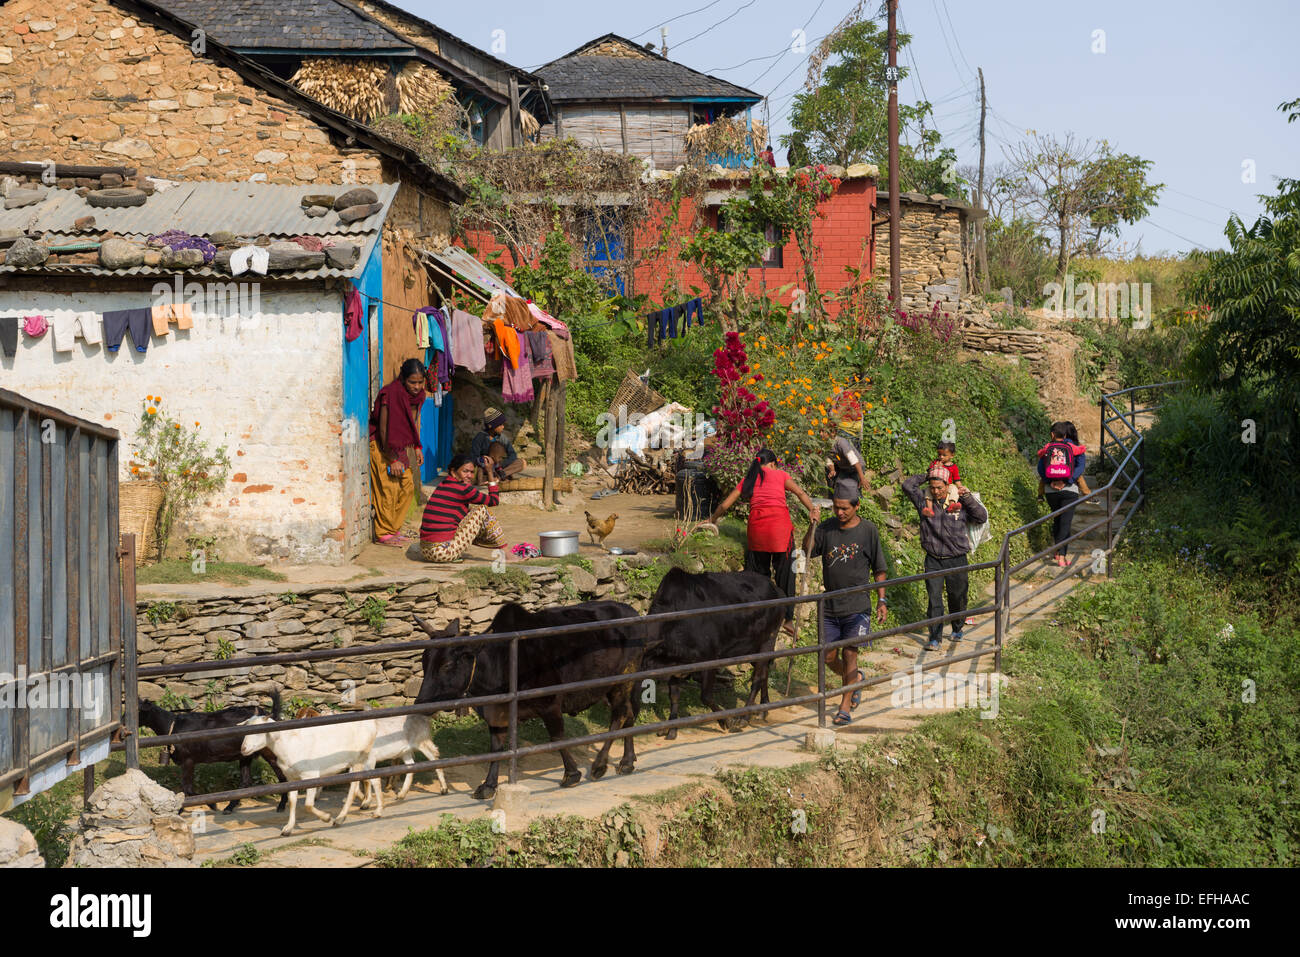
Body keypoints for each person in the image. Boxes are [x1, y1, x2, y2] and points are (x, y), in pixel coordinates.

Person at [707, 449, 820, 638]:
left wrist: (711, 519)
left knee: (759, 576)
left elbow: (725, 505)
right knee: (786, 575)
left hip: (757, 532)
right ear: (774, 464)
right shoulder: (780, 474)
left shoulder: (748, 479)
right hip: (780, 532)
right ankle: (787, 619)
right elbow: (800, 492)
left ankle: (759, 615)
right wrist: (811, 510)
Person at [803, 495, 889, 726]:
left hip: (857, 605)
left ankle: (844, 706)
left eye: (844, 508)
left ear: (856, 506)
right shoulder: (826, 527)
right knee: (828, 656)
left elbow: (879, 568)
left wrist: (882, 600)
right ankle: (856, 680)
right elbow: (808, 549)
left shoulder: (868, 530)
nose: (839, 512)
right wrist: (812, 524)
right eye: (836, 508)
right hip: (830, 605)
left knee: (850, 654)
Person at [902, 465, 988, 651]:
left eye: (940, 487)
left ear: (948, 485)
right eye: (932, 487)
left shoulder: (960, 501)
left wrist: (967, 497)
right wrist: (929, 473)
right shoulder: (924, 502)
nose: (936, 491)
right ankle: (935, 638)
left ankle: (957, 627)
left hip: (957, 558)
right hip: (933, 559)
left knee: (957, 596)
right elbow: (908, 485)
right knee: (934, 599)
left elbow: (981, 517)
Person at [368, 358, 426, 546]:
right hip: (381, 444)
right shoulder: (390, 394)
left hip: (400, 446)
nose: (416, 386)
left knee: (408, 485)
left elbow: (412, 422)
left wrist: (417, 446)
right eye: (412, 382)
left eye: (420, 382)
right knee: (389, 489)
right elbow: (384, 430)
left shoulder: (419, 396)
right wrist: (392, 459)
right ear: (403, 378)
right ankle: (383, 533)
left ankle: (393, 528)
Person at [418, 453, 507, 563]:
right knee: (482, 510)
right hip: (442, 553)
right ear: (453, 472)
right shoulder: (463, 489)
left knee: (469, 511)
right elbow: (494, 500)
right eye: (465, 471)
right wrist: (489, 471)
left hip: (425, 551)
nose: (469, 475)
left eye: (471, 472)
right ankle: (506, 553)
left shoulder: (443, 485)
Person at [1037, 421, 1089, 567]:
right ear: (1065, 435)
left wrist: (1051, 481)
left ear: (1052, 434)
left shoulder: (1048, 448)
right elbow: (1080, 466)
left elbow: (1041, 469)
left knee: (1057, 521)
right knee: (1065, 523)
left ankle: (1057, 551)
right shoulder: (1073, 448)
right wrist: (1067, 481)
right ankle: (1061, 555)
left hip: (1050, 491)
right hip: (1069, 490)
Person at [471, 407, 525, 484]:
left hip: (499, 468)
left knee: (522, 462)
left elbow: (513, 455)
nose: (503, 427)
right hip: (485, 468)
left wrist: (500, 463)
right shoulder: (480, 438)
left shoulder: (502, 438)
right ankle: (494, 478)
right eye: (500, 425)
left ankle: (497, 478)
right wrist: (486, 462)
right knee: (478, 470)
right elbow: (473, 457)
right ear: (490, 426)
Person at [825, 425, 867, 502]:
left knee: (855, 491)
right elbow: (829, 460)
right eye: (820, 431)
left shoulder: (841, 443)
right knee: (840, 487)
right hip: (845, 469)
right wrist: (832, 470)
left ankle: (860, 508)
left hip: (856, 468)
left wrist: (862, 478)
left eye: (824, 432)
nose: (821, 434)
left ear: (833, 433)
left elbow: (855, 461)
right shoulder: (825, 445)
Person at [929, 440, 962, 510]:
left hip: (948, 485)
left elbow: (956, 479)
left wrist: (960, 487)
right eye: (939, 454)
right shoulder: (935, 462)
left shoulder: (953, 467)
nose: (941, 457)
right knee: (927, 491)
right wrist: (936, 467)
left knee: (954, 490)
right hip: (935, 485)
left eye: (944, 455)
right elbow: (929, 473)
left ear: (952, 455)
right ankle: (929, 509)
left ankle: (951, 505)